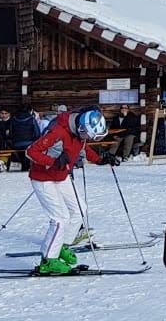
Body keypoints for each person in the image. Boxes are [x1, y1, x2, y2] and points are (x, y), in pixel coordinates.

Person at [24, 107, 119, 275]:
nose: (88, 139)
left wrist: (101, 159)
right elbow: (31, 152)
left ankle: (61, 245)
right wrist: (53, 161)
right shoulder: (58, 131)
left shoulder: (79, 133)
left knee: (80, 210)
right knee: (60, 218)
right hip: (43, 177)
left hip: (61, 176)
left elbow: (83, 148)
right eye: (88, 135)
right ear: (82, 128)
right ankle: (48, 260)